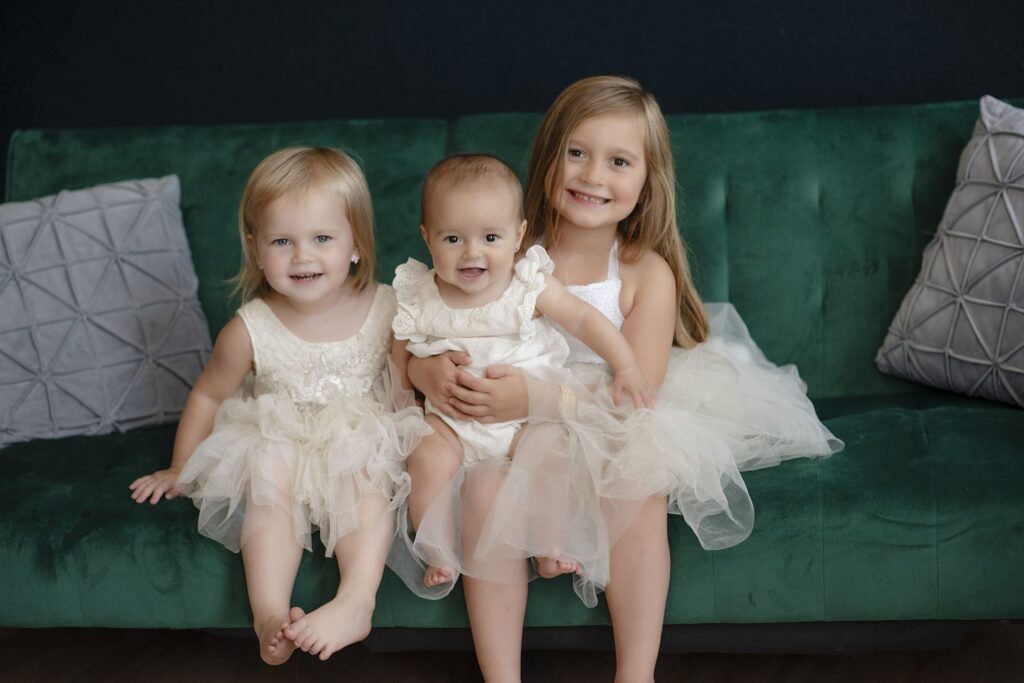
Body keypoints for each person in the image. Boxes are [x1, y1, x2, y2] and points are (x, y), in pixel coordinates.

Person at [407, 77, 843, 682]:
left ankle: (635, 674)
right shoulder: (501, 245)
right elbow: (432, 318)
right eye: (577, 153)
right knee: (483, 487)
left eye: (618, 161)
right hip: (495, 425)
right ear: (549, 156)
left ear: (646, 181)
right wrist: (424, 370)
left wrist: (532, 398)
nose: (592, 175)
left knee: (639, 480)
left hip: (599, 414)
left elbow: (636, 391)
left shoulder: (643, 272)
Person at [128, 147, 429, 665]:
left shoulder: (390, 308)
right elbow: (209, 393)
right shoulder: (250, 326)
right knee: (269, 485)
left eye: (322, 239)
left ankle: (357, 600)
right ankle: (268, 613)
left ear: (356, 243)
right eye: (282, 241)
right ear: (256, 248)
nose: (302, 257)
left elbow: (408, 388)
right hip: (279, 438)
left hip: (358, 435)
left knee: (363, 473)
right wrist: (182, 465)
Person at [388, 153, 653, 598]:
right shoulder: (420, 292)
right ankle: (438, 550)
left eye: (490, 237)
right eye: (453, 238)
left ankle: (551, 544)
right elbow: (400, 350)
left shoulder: (527, 283)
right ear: (427, 238)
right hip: (449, 423)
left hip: (525, 419)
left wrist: (626, 365)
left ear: (518, 236)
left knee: (551, 454)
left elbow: (585, 320)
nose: (473, 252)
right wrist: (404, 398)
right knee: (425, 459)